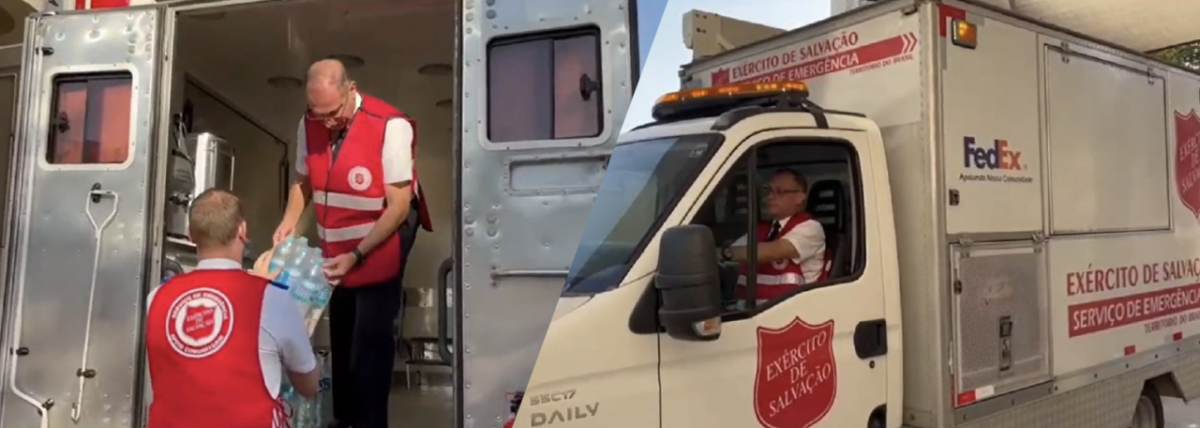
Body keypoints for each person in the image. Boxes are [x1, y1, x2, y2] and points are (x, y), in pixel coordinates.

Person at [272, 58, 432, 428]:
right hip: (339, 240)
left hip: (383, 233)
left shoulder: (390, 126)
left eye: (334, 113)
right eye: (318, 112)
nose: (326, 121)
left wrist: (357, 254)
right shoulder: (309, 123)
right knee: (343, 329)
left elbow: (397, 206)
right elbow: (303, 181)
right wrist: (288, 223)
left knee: (371, 338)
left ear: (351, 90)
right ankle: (343, 419)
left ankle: (370, 422)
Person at [144, 188, 320, 428]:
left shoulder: (156, 298)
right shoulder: (272, 298)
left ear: (190, 234)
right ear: (242, 230)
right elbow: (308, 385)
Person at [719, 168, 827, 303]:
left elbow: (769, 252)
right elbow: (734, 255)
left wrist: (721, 253)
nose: (770, 196)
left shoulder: (810, 228)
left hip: (791, 313)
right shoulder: (762, 230)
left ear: (800, 197)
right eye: (768, 190)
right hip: (749, 312)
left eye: (780, 191)